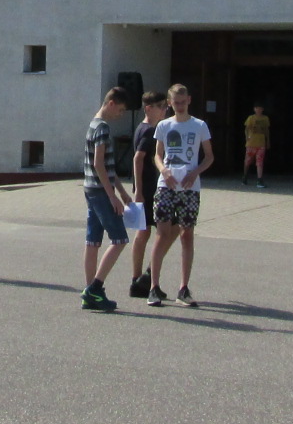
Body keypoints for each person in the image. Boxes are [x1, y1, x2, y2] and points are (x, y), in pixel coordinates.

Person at [148, 83, 213, 307]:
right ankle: (154, 287)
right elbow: (157, 155)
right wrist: (163, 170)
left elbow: (209, 156)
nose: (180, 106)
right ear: (169, 103)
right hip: (166, 185)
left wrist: (195, 172)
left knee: (187, 234)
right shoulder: (164, 125)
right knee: (162, 233)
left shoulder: (199, 125)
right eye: (176, 103)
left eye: (183, 102)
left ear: (189, 100)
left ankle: (183, 288)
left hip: (189, 187)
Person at [81, 86, 134, 311]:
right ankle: (95, 288)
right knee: (120, 240)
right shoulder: (102, 128)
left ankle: (89, 292)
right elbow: (99, 164)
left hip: (91, 189)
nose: (120, 114)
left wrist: (121, 191)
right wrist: (113, 197)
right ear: (111, 103)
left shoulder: (93, 124)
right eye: (120, 110)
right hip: (101, 191)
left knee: (93, 241)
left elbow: (107, 167)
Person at [127, 90, 169, 297]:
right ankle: (141, 279)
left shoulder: (145, 128)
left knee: (144, 232)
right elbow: (138, 159)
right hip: (147, 189)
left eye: (165, 106)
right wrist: (139, 191)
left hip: (146, 188)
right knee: (159, 232)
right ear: (149, 108)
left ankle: (140, 280)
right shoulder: (148, 130)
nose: (164, 110)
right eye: (161, 107)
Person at [242, 102, 271, 188]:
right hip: (251, 143)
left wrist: (268, 141)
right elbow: (246, 129)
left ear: (262, 109)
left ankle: (259, 180)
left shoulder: (265, 119)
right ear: (254, 109)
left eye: (260, 108)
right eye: (257, 108)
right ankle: (245, 176)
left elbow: (267, 130)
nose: (258, 110)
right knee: (247, 161)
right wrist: (247, 138)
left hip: (261, 143)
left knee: (259, 162)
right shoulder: (251, 118)